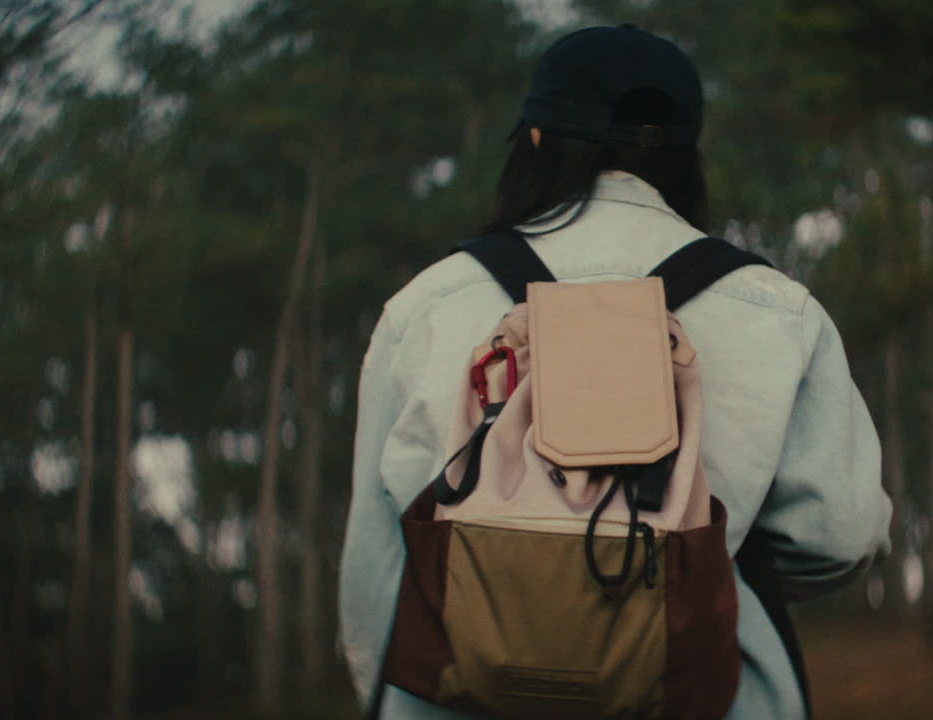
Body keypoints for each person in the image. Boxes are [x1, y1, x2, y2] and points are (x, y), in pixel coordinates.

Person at [338, 24, 892, 719]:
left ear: (535, 142)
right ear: (685, 158)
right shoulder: (778, 312)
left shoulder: (423, 308)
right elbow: (841, 532)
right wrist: (705, 567)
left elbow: (375, 572)